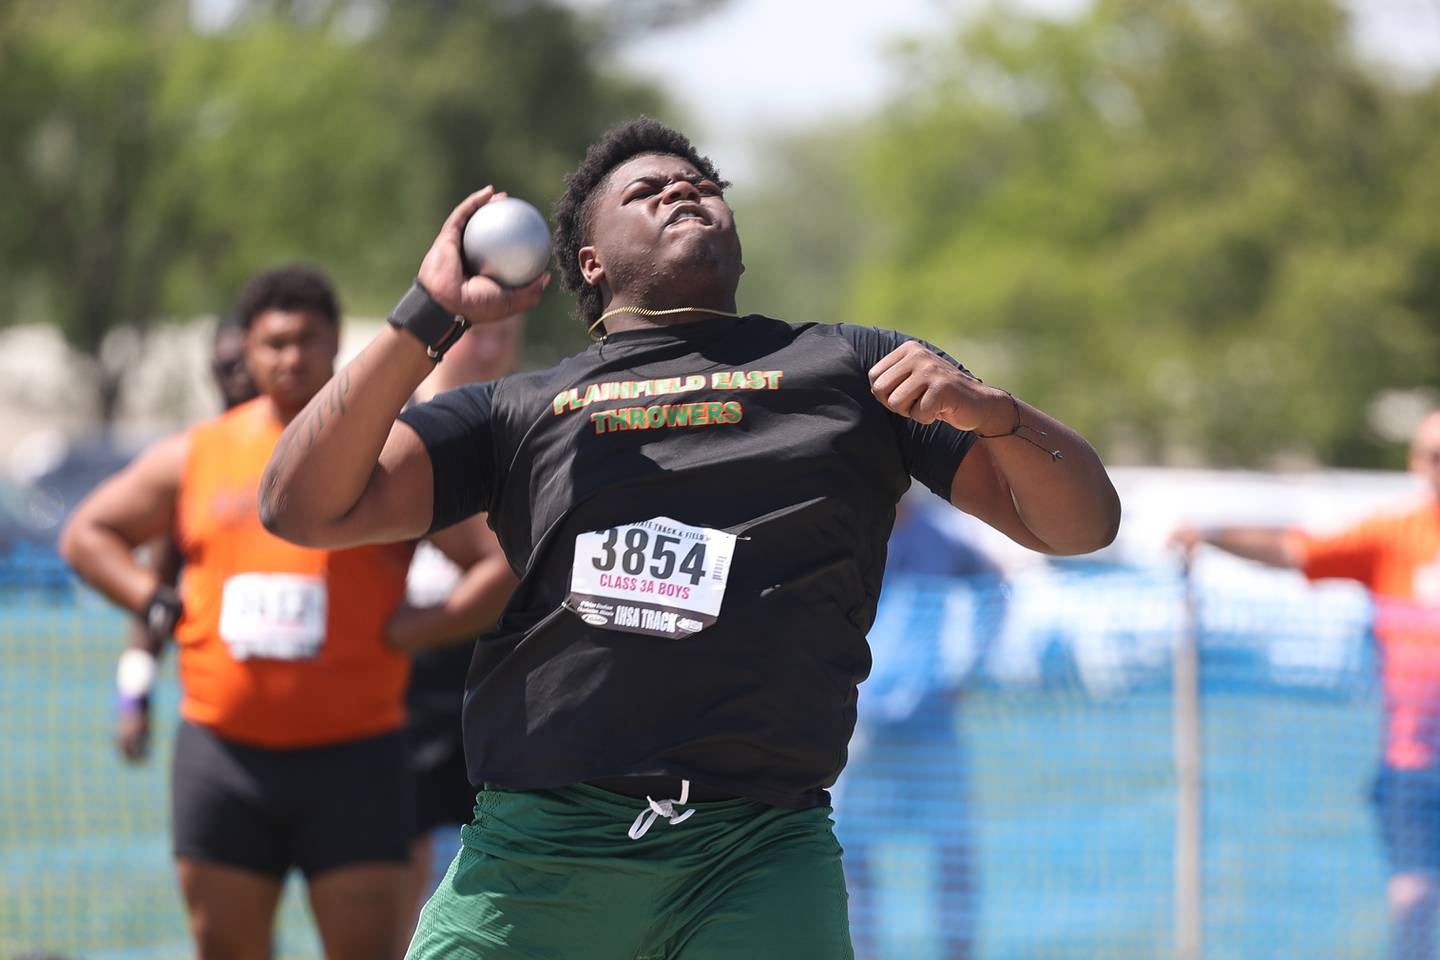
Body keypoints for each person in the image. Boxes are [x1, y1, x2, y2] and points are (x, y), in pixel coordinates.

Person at [259, 117, 1121, 959]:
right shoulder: (520, 410)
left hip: (756, 854)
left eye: (703, 186)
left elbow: (1081, 526)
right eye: (648, 190)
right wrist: (427, 317)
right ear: (590, 262)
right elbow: (302, 505)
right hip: (541, 854)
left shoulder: (854, 370)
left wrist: (1000, 418)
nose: (684, 189)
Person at [62, 266, 466, 960]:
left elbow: (495, 564)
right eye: (273, 342)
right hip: (222, 760)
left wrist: (417, 630)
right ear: (246, 349)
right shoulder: (198, 454)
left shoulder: (385, 455)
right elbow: (85, 535)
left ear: (336, 344)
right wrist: (158, 605)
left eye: (307, 340)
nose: (290, 357)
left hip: (358, 760)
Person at [1172, 410, 1440, 960]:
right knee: (1414, 896)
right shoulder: (1395, 535)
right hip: (1415, 761)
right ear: (1417, 462)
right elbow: (1300, 551)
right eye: (1435, 455)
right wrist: (1214, 534)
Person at [836, 490, 1007, 960]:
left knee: (953, 853)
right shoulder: (846, 525)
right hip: (858, 727)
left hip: (932, 727)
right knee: (848, 854)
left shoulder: (942, 537)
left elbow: (996, 587)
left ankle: (958, 952)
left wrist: (970, 667)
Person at [395, 315, 524, 933]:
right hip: (405, 672)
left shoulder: (526, 423)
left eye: (510, 332)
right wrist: (406, 632)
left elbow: (514, 560)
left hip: (496, 656)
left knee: (509, 862)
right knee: (401, 862)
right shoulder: (394, 423)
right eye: (483, 331)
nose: (496, 345)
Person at [115, 314, 259, 764]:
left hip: (321, 715)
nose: (236, 371)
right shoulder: (194, 463)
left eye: (244, 360)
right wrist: (132, 699)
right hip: (217, 718)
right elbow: (154, 597)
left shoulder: (316, 451)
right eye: (224, 363)